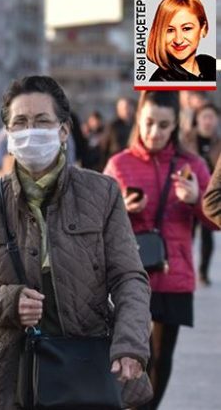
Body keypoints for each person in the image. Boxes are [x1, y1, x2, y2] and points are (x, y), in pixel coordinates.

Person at [0, 76, 151, 409]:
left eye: (42, 121)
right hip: (6, 371)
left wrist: (130, 343)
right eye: (20, 122)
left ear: (63, 130)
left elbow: (129, 277)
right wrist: (7, 301)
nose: (31, 130)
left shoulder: (102, 193)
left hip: (86, 362)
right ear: (8, 132)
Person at [104, 90, 216, 410]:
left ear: (175, 126)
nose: (155, 132)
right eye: (149, 123)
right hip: (129, 275)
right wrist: (122, 209)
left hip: (174, 275)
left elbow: (215, 220)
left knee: (161, 357)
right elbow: (95, 223)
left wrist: (196, 199)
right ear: (138, 120)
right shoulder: (119, 164)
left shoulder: (191, 164)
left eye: (164, 125)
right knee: (130, 354)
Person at [147, 0, 215, 82]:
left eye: (186, 28)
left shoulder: (209, 63)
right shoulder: (161, 81)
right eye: (170, 30)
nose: (178, 40)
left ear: (202, 28)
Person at [187, 103, 220, 286]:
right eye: (204, 117)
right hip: (190, 194)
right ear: (197, 119)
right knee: (188, 235)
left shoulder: (219, 142)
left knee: (208, 237)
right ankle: (188, 269)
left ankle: (203, 272)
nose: (208, 121)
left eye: (211, 117)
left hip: (212, 197)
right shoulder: (186, 140)